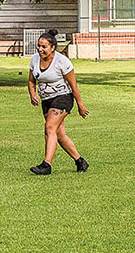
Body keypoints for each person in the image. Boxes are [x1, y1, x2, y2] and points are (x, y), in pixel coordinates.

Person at [28, 29, 89, 175]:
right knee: (59, 135)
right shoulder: (34, 59)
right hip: (46, 101)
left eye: (44, 47)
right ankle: (80, 161)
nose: (40, 49)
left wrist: (80, 105)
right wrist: (32, 94)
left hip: (63, 98)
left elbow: (73, 85)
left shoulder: (62, 61)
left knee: (49, 128)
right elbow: (31, 80)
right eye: (39, 46)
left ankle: (46, 165)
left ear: (52, 47)